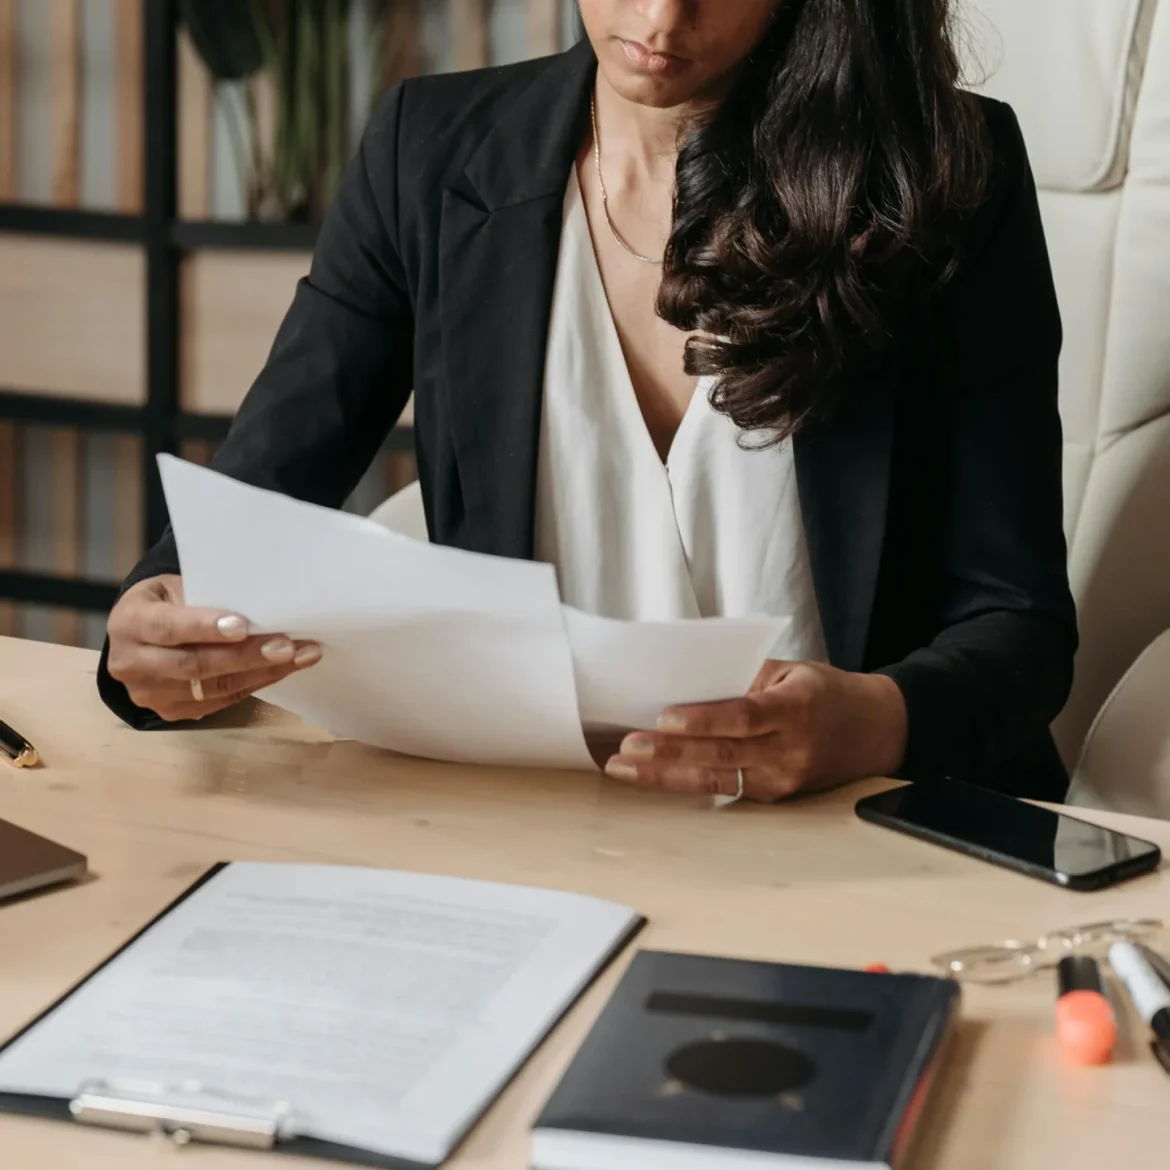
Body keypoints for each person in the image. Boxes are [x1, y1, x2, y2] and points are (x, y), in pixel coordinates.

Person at [100, 0, 1076, 803]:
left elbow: (1020, 631)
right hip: (537, 817)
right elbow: (256, 494)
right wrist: (157, 634)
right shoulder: (430, 153)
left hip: (853, 823)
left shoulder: (945, 173)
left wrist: (866, 724)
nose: (660, 14)